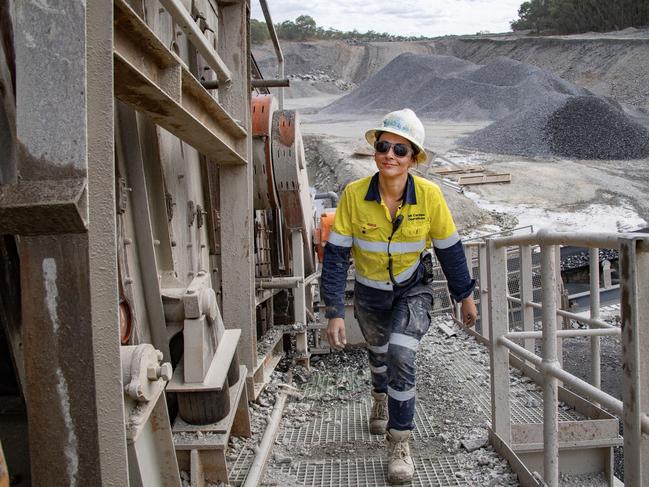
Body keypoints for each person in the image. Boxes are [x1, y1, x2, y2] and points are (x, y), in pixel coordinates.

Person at [320, 108, 478, 484]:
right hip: (371, 295)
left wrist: (465, 296)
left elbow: (449, 249)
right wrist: (334, 311)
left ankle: (399, 442)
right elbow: (337, 257)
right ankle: (379, 396)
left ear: (413, 158)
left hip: (413, 290)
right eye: (383, 146)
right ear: (375, 151)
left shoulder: (430, 196)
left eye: (400, 150)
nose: (389, 154)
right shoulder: (354, 197)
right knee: (378, 356)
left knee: (401, 354)